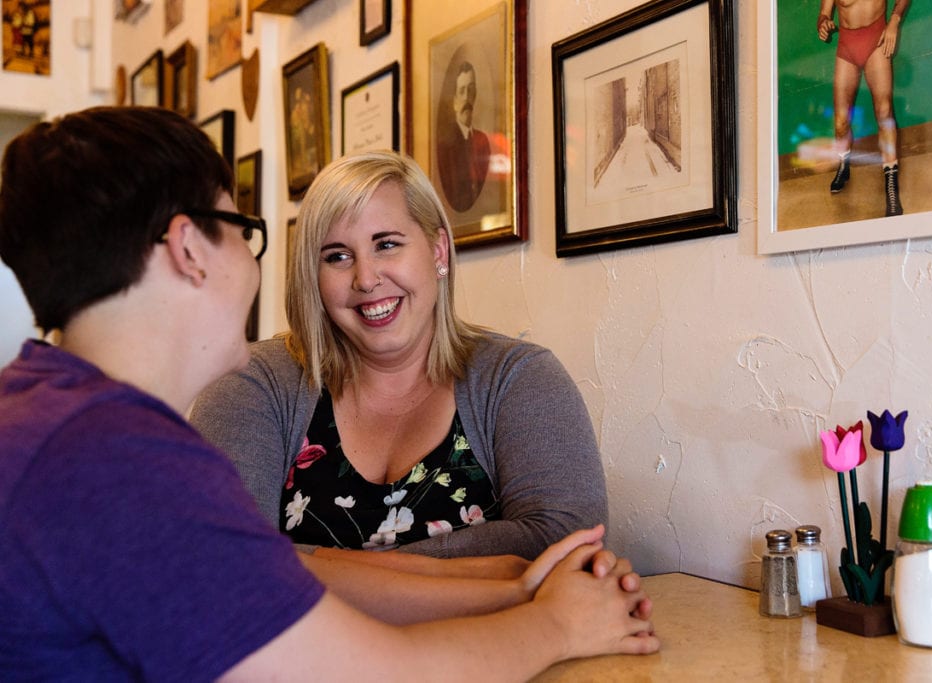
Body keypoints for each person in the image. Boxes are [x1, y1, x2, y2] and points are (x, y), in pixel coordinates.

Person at [0, 106, 658, 679]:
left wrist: (509, 582)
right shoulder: (125, 465)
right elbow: (378, 672)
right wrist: (559, 625)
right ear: (190, 248)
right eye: (242, 230)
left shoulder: (42, 415)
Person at [190, 149, 608, 561]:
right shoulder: (252, 384)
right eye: (337, 256)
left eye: (386, 245)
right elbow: (229, 565)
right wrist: (489, 570)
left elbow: (567, 543)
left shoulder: (518, 378)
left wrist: (314, 566)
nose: (366, 279)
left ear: (438, 250)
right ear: (312, 276)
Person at [817, 0, 910, 217]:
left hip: (876, 39)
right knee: (840, 121)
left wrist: (894, 21)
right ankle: (844, 163)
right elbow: (824, 13)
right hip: (847, 45)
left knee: (884, 111)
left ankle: (890, 181)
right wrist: (823, 23)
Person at [436, 60, 491, 212]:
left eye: (471, 90)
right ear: (454, 101)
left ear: (475, 95)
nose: (467, 98)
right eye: (462, 91)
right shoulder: (444, 146)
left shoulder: (483, 141)